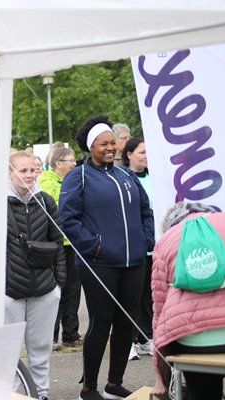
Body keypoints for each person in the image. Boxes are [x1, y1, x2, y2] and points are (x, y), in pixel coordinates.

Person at [59, 115, 154, 400]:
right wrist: (94, 246)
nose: (110, 148)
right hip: (98, 263)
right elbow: (68, 218)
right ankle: (88, 388)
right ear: (91, 147)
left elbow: (146, 211)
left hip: (134, 261)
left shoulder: (126, 175)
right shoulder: (79, 176)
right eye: (103, 144)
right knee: (101, 323)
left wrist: (146, 240)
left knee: (127, 323)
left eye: (113, 142)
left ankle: (114, 384)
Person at [150, 202, 225, 400]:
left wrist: (162, 378)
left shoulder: (164, 242)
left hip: (194, 340)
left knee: (202, 390)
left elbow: (159, 311)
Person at [0, 151, 65, 400]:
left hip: (45, 288)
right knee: (8, 351)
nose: (29, 175)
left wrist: (58, 283)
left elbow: (57, 243)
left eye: (32, 170)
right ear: (10, 173)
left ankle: (41, 393)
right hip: (10, 291)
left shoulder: (46, 201)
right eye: (23, 170)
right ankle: (11, 394)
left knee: (41, 348)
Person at [39, 147, 82, 351]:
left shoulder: (72, 181)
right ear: (58, 163)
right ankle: (51, 336)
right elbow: (60, 207)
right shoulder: (47, 182)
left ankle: (71, 334)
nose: (74, 164)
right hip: (56, 245)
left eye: (74, 160)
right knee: (56, 290)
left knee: (74, 290)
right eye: (70, 161)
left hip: (73, 244)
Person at [122, 137, 154, 361]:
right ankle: (128, 340)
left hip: (156, 245)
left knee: (149, 297)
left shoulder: (155, 176)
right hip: (135, 246)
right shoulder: (124, 178)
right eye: (142, 152)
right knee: (132, 296)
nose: (146, 156)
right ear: (129, 155)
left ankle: (145, 338)